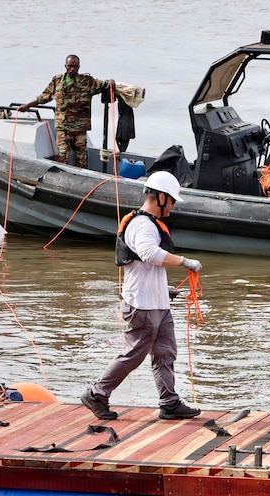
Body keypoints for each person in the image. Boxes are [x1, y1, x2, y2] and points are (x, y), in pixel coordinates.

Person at [81, 171, 203, 421]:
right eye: (171, 200)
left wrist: (163, 289)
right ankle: (97, 393)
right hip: (142, 305)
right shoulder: (142, 225)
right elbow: (148, 254)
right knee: (134, 354)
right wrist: (184, 262)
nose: (173, 206)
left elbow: (147, 265)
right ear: (160, 198)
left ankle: (169, 402)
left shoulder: (149, 224)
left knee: (166, 352)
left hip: (157, 302)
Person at [18, 54, 115, 169]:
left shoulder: (88, 81)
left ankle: (81, 182)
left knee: (82, 159)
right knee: (62, 156)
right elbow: (44, 97)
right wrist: (27, 106)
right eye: (70, 66)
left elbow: (105, 85)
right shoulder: (57, 81)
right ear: (65, 66)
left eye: (75, 66)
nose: (72, 69)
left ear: (79, 67)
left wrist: (111, 82)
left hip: (80, 129)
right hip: (63, 128)